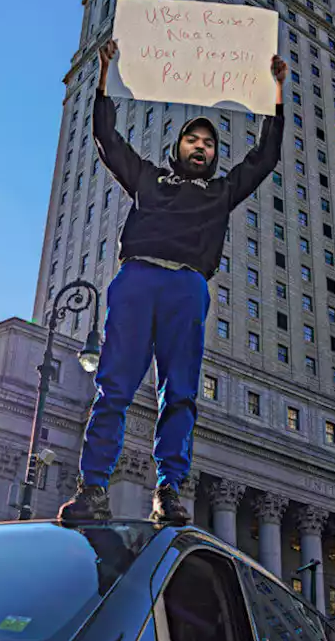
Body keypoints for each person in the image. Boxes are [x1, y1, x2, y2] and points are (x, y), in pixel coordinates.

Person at [59, 39, 287, 526]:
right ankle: (94, 487)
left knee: (179, 392)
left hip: (187, 287)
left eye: (208, 144)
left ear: (214, 155)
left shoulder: (223, 191)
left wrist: (276, 94)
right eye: (192, 141)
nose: (200, 148)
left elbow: (265, 157)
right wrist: (104, 76)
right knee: (114, 388)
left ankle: (169, 489)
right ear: (177, 148)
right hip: (137, 279)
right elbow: (107, 140)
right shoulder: (148, 179)